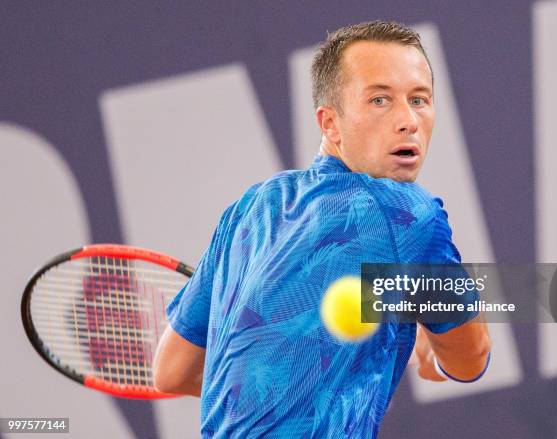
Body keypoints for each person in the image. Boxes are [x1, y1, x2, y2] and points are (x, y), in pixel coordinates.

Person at [153, 20, 491, 438]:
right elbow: (470, 356)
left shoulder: (250, 207)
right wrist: (432, 351)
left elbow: (171, 370)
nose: (408, 120)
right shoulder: (407, 215)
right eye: (380, 100)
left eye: (419, 100)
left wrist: (279, 377)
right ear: (330, 124)